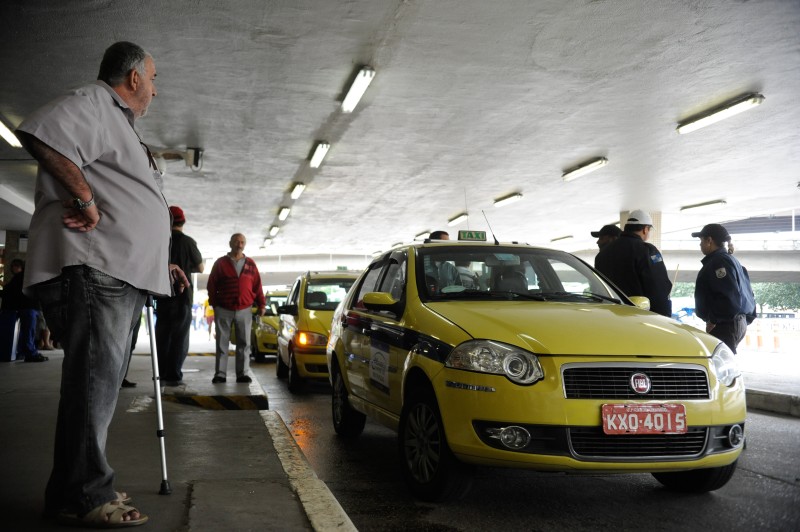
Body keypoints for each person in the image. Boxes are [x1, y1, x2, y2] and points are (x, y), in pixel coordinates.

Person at [15, 41, 189, 527]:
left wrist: (162, 262)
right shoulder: (95, 102)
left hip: (120, 270)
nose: (155, 89)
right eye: (153, 79)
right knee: (94, 386)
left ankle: (73, 491)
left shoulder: (121, 127)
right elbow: (38, 133)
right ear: (133, 78)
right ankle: (88, 494)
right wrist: (85, 197)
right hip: (97, 268)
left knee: (97, 387)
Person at [155, 206, 204, 386]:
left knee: (162, 335)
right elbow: (200, 268)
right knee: (179, 336)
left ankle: (161, 373)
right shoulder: (188, 242)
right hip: (182, 297)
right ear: (183, 221)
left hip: (162, 295)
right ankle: (174, 373)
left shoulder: (160, 241)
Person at [207, 233, 265, 383]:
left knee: (244, 343)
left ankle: (242, 373)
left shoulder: (250, 264)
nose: (240, 245)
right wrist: (215, 304)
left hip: (245, 309)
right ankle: (220, 374)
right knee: (222, 342)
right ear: (230, 243)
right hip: (223, 308)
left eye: (242, 242)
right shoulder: (220, 263)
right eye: (237, 242)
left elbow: (257, 286)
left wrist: (262, 304)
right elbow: (212, 284)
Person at [692, 223, 756, 353]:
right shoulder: (730, 260)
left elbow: (728, 295)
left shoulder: (719, 262)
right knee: (722, 363)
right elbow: (748, 295)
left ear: (709, 240)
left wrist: (714, 320)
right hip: (734, 321)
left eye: (701, 240)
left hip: (725, 324)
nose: (700, 245)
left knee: (721, 366)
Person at [595, 209, 672, 317]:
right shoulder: (647, 251)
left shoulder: (602, 255)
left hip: (610, 316)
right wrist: (665, 317)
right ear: (645, 229)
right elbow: (658, 288)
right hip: (639, 318)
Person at [0, 259, 48, 362]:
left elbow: (7, 290)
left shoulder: (20, 277)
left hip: (20, 307)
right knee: (28, 330)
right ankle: (29, 353)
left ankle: (24, 352)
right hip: (28, 306)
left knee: (26, 331)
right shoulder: (29, 276)